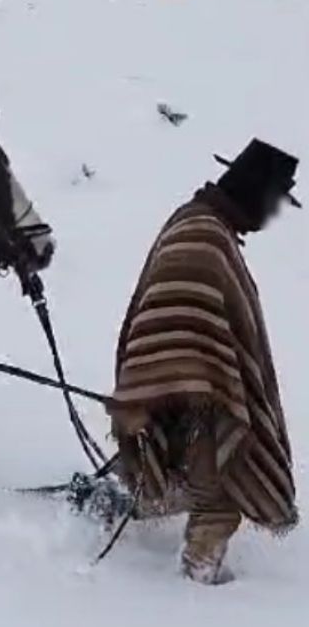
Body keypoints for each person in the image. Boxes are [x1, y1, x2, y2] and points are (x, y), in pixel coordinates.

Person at [108, 138, 299, 584]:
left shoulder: (198, 222)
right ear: (253, 191)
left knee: (188, 478)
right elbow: (179, 317)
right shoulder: (206, 234)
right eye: (273, 203)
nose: (272, 216)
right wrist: (198, 385)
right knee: (222, 486)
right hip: (195, 402)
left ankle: (122, 502)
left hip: (181, 393)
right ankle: (198, 580)